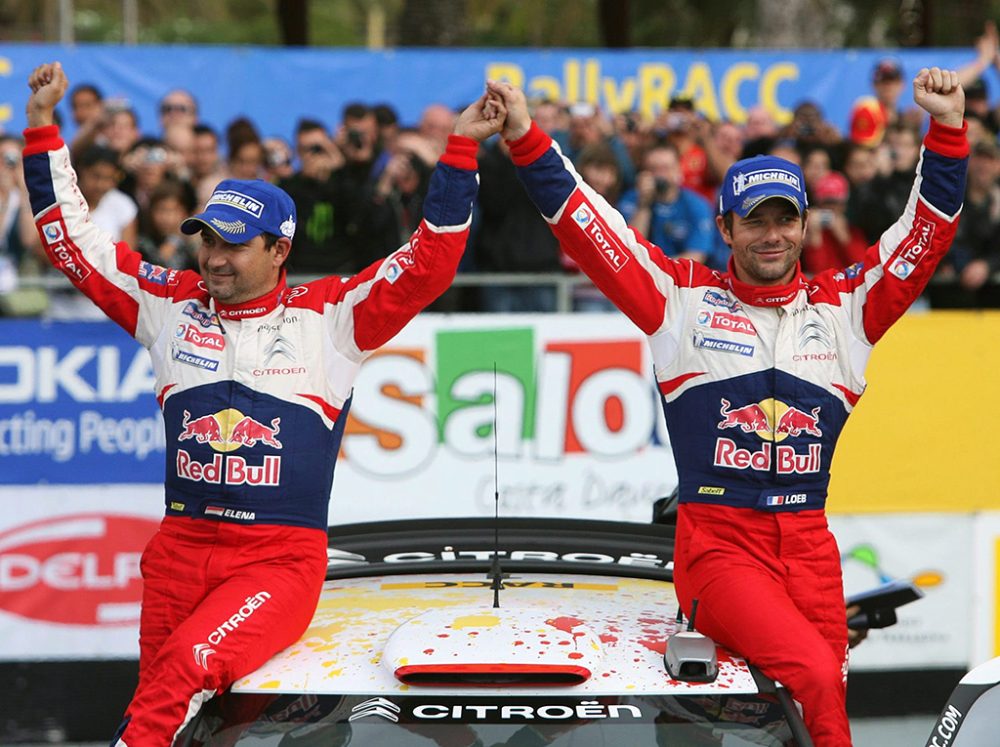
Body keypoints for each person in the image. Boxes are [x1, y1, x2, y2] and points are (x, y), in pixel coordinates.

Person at [24, 61, 505, 745]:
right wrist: (42, 126)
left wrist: (459, 151)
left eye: (234, 244)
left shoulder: (333, 316)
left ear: (281, 248)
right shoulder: (167, 303)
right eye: (208, 239)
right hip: (179, 547)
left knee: (185, 670)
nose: (214, 258)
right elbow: (71, 240)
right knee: (170, 712)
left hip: (277, 559)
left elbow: (429, 263)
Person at [487, 66, 967, 746]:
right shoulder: (680, 302)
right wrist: (528, 137)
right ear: (726, 227)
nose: (771, 235)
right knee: (813, 677)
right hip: (718, 544)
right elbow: (586, 223)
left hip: (809, 545)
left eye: (785, 219)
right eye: (755, 221)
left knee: (811, 714)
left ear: (804, 224)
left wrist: (946, 129)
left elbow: (929, 232)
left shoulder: (846, 310)